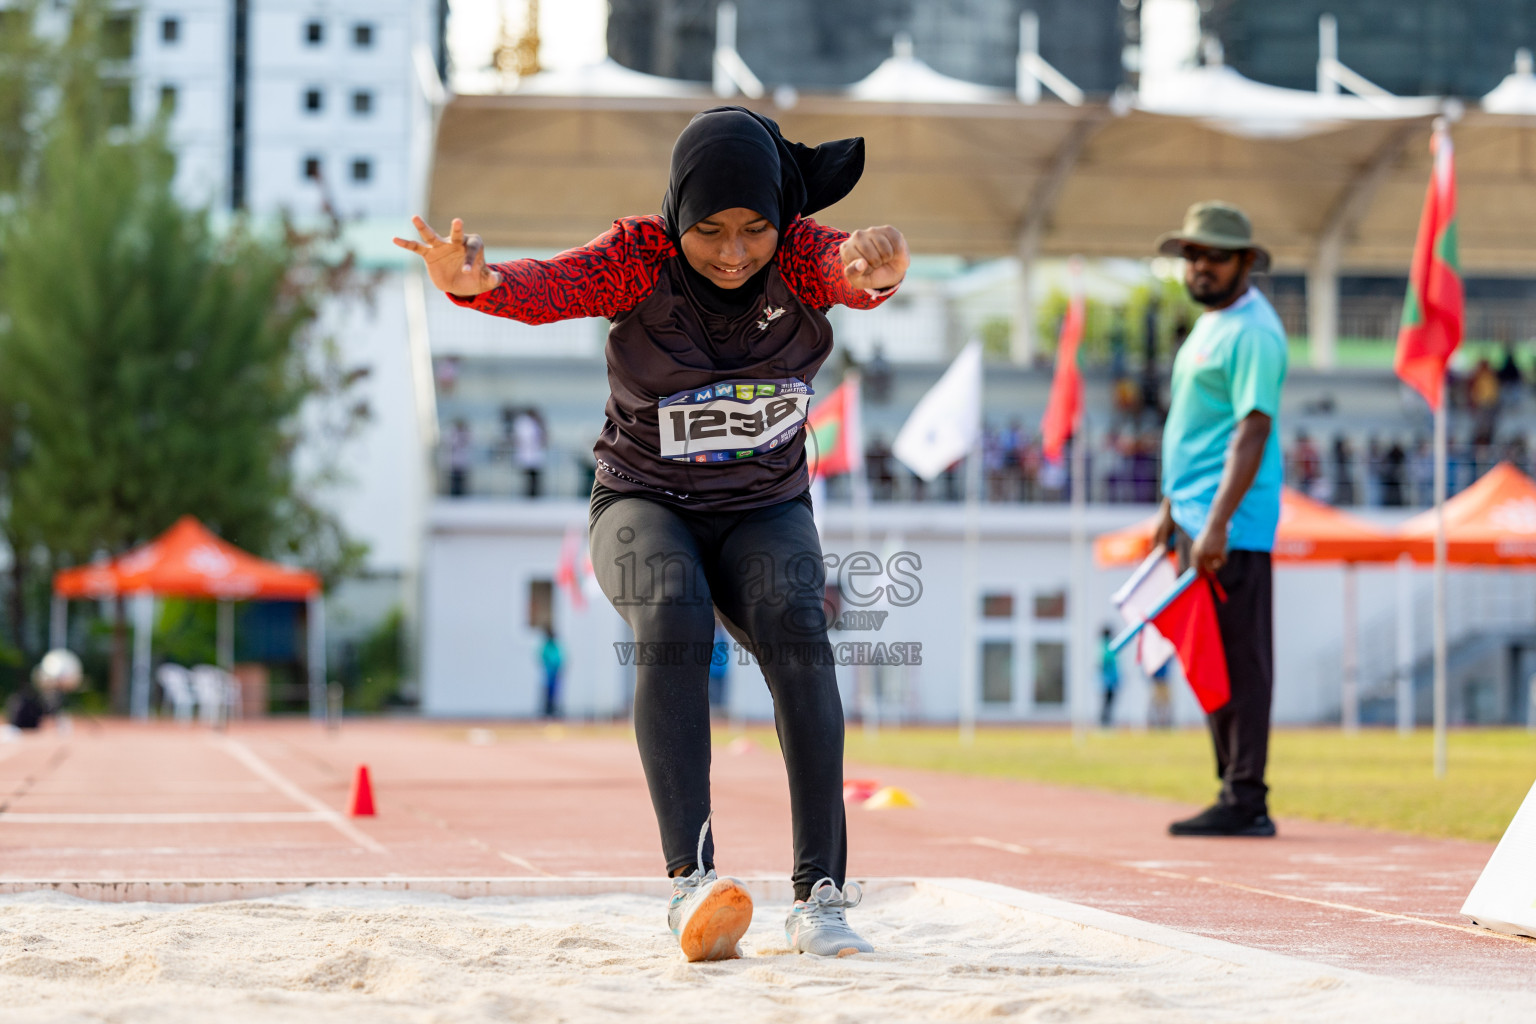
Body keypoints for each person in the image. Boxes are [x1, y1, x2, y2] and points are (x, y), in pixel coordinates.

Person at [394, 106, 907, 961]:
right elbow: (545, 287)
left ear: (784, 219)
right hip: (644, 501)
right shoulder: (637, 258)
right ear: (676, 218)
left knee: (798, 628)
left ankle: (820, 893)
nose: (736, 253)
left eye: (755, 231)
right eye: (710, 231)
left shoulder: (808, 256)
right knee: (672, 615)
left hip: (764, 508)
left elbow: (852, 271)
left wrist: (876, 269)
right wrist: (474, 283)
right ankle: (691, 883)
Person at [1152, 201, 1286, 838]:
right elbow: (1195, 427)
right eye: (1193, 255)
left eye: (1216, 255)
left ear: (1247, 262)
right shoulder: (1211, 324)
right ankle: (1232, 790)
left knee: (1240, 659)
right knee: (1209, 656)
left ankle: (1247, 798)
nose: (1201, 266)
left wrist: (1217, 524)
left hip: (1231, 523)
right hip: (1195, 516)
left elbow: (1251, 427)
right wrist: (1172, 508)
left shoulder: (1253, 331)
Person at [1098, 626, 1120, 727]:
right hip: (1108, 681)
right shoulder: (1106, 646)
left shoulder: (1105, 645)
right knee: (1107, 703)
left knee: (1108, 703)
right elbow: (1103, 663)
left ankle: (1106, 723)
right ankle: (1104, 723)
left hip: (1109, 680)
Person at [539, 626, 563, 718]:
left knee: (555, 691)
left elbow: (560, 658)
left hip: (555, 672)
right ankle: (547, 710)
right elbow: (543, 657)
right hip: (549, 673)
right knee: (547, 691)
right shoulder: (547, 646)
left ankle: (553, 709)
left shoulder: (555, 646)